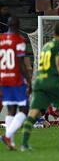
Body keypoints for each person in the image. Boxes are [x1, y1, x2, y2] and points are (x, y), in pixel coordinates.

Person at [21, 22, 59, 151]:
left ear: (54, 33)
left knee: (33, 112)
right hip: (51, 82)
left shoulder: (45, 46)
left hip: (39, 81)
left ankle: (24, 144)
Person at [0, 16, 32, 150]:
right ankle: (7, 135)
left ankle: (11, 142)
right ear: (18, 26)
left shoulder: (0, 39)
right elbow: (21, 64)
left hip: (3, 78)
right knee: (24, 109)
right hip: (15, 79)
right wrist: (29, 81)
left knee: (11, 109)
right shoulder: (19, 40)